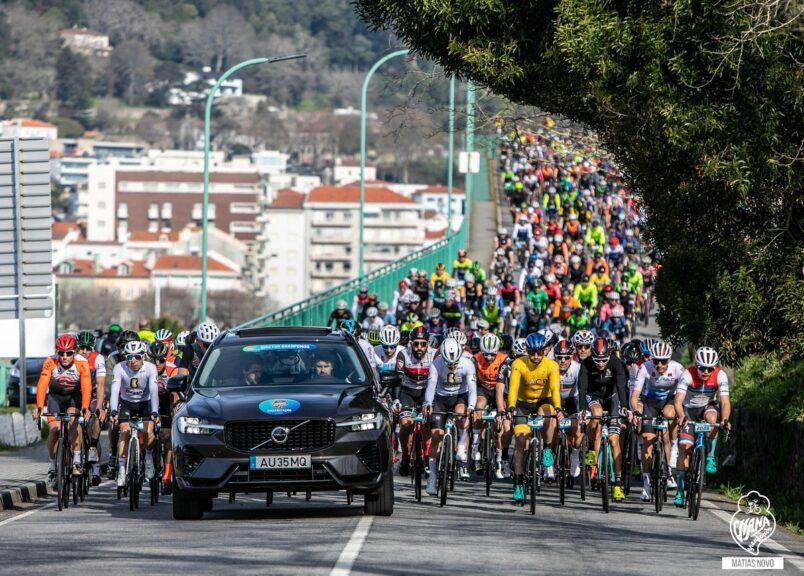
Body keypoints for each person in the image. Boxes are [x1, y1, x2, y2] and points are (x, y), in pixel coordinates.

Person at [673, 346, 731, 507]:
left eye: (709, 369)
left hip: (707, 407)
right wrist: (681, 416)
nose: (706, 372)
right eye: (702, 368)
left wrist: (725, 419)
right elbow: (678, 401)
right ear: (696, 365)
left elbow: (725, 402)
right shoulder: (687, 375)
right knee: (685, 447)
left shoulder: (720, 375)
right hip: (688, 410)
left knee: (714, 419)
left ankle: (711, 456)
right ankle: (679, 489)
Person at [507, 332, 561, 502]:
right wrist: (511, 407)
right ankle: (518, 484)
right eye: (532, 353)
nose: (536, 356)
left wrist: (558, 408)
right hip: (522, 405)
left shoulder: (552, 365)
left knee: (550, 416)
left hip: (542, 402)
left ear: (545, 350)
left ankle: (547, 450)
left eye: (539, 352)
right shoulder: (518, 363)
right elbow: (513, 389)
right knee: (521, 443)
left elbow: (555, 390)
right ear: (527, 351)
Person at [577, 338, 632, 502]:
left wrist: (623, 406)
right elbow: (582, 389)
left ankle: (617, 484)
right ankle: (593, 450)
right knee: (597, 413)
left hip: (612, 397)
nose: (601, 364)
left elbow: (622, 386)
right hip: (593, 396)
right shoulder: (586, 364)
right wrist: (582, 410)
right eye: (597, 360)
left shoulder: (616, 363)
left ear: (609, 356)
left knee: (614, 440)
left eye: (604, 360)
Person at [629, 341, 684, 501]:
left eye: (663, 361)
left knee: (669, 413)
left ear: (669, 359)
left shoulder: (677, 369)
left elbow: (683, 395)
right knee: (648, 441)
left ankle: (673, 451)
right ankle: (646, 483)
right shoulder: (645, 368)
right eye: (656, 361)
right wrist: (635, 411)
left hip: (669, 400)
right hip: (650, 402)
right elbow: (635, 395)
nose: (659, 365)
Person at [33, 335, 92, 482]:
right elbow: (42, 384)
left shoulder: (82, 362)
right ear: (57, 352)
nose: (65, 357)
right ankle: (52, 465)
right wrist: (39, 406)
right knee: (54, 431)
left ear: (75, 352)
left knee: (73, 422)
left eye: (69, 353)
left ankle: (77, 460)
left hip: (74, 397)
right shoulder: (50, 361)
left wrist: (85, 407)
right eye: (61, 353)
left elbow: (86, 387)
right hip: (56, 397)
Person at [423, 337, 477, 494]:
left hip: (460, 396)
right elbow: (431, 387)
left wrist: (471, 407)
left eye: (454, 363)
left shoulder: (468, 364)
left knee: (462, 414)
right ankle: (432, 477)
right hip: (441, 398)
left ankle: (461, 445)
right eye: (449, 363)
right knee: (436, 436)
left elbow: (473, 389)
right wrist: (427, 403)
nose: (452, 367)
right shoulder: (436, 364)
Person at [109, 340, 160, 487]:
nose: (132, 360)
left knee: (148, 431)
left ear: (143, 357)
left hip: (145, 402)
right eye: (129, 357)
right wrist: (113, 410)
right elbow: (114, 392)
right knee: (124, 431)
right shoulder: (119, 368)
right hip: (127, 403)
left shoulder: (151, 368)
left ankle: (149, 457)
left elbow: (154, 391)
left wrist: (155, 412)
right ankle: (122, 469)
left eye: (137, 357)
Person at [393, 326, 435, 477]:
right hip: (407, 392)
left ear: (427, 344)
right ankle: (405, 456)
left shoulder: (434, 355)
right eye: (416, 344)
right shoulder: (403, 354)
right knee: (405, 424)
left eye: (423, 344)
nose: (419, 348)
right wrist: (396, 399)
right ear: (410, 343)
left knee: (428, 422)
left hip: (426, 392)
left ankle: (426, 456)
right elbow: (398, 379)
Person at [471, 333, 507, 474]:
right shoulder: (475, 359)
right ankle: (475, 445)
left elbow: (503, 385)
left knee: (501, 424)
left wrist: (502, 408)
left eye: (492, 355)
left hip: (500, 388)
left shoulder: (504, 359)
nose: (489, 358)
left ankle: (499, 458)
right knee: (478, 406)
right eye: (486, 354)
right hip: (483, 389)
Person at [75, 330, 106, 485]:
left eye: (88, 348)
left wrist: (99, 407)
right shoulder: (72, 358)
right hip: (77, 394)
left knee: (96, 417)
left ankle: (94, 457)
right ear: (76, 347)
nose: (85, 351)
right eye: (82, 348)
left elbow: (100, 385)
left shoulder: (98, 359)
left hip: (94, 393)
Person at [150, 341, 177, 493]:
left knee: (167, 438)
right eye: (154, 359)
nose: (157, 363)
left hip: (166, 400)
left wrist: (175, 407)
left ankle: (167, 477)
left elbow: (174, 394)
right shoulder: (145, 369)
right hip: (149, 399)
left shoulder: (172, 369)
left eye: (161, 359)